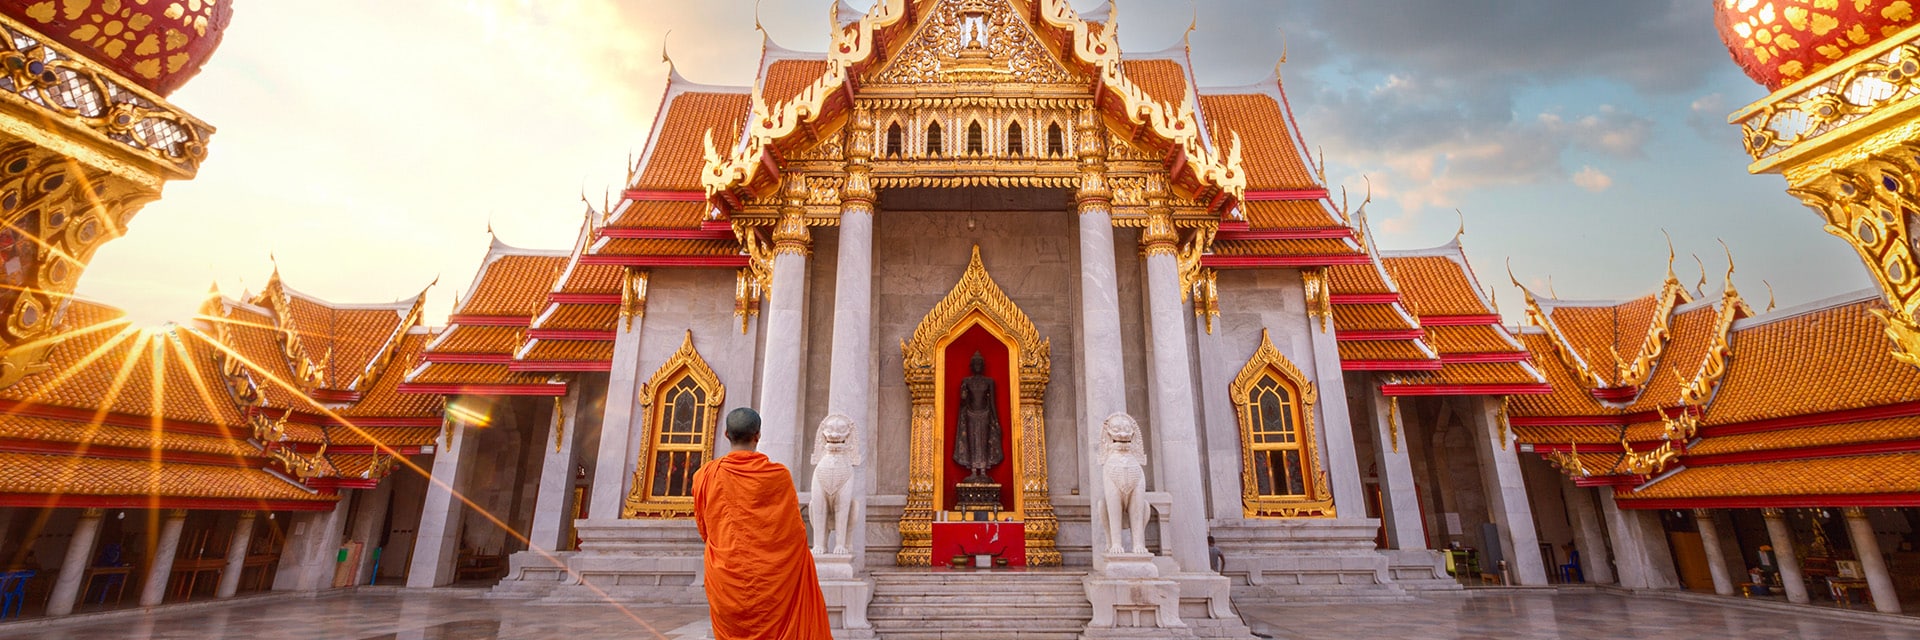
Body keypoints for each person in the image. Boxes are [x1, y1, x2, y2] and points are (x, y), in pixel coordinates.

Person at [694, 407, 831, 640]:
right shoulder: (778, 475)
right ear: (758, 435)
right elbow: (795, 535)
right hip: (775, 585)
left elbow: (705, 527)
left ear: (726, 434)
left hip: (727, 579)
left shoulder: (706, 475)